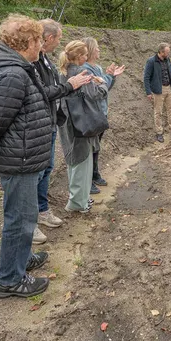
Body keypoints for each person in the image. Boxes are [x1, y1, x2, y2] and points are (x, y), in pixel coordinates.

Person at [0, 14, 53, 298]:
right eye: (39, 40)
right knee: (21, 219)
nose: (41, 47)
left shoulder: (12, 68)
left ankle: (22, 257)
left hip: (21, 156)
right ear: (28, 41)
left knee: (23, 216)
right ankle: (10, 279)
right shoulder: (13, 74)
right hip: (19, 161)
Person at [31, 20, 92, 245]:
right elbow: (42, 92)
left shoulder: (44, 59)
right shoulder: (32, 61)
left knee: (46, 169)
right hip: (39, 124)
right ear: (48, 38)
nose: (60, 43)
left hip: (50, 121)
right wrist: (70, 85)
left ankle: (42, 210)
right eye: (58, 38)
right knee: (35, 173)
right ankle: (30, 222)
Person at [57, 40, 107, 213]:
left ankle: (81, 198)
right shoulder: (81, 72)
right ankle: (78, 203)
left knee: (74, 160)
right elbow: (95, 94)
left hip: (67, 120)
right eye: (85, 54)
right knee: (82, 161)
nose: (87, 57)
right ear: (78, 56)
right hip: (81, 122)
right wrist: (103, 83)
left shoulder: (63, 72)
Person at [79, 37, 125, 194]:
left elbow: (105, 88)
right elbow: (96, 90)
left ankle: (95, 173)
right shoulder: (85, 69)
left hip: (101, 113)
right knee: (90, 148)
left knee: (96, 147)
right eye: (97, 47)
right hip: (92, 115)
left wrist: (111, 77)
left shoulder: (97, 68)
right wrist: (108, 77)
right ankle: (88, 180)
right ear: (90, 49)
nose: (99, 50)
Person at [144, 43, 171, 143]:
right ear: (161, 52)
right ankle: (159, 133)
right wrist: (148, 92)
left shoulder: (168, 60)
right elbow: (146, 77)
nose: (168, 53)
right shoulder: (151, 61)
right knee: (158, 112)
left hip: (168, 88)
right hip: (158, 90)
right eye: (167, 52)